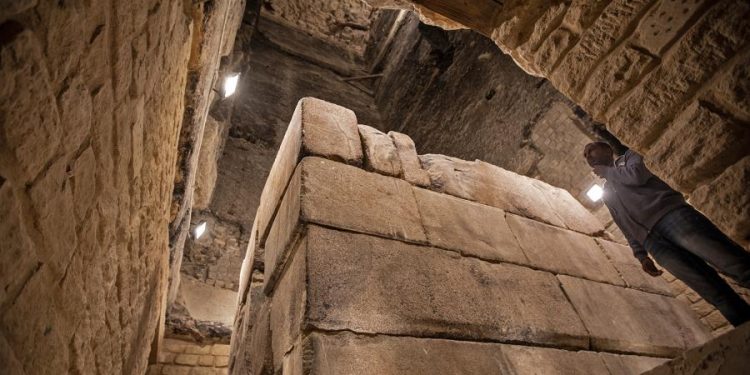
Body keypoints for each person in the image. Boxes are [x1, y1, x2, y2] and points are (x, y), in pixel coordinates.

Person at [583, 141, 750, 326]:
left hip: (672, 218)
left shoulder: (630, 157)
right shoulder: (606, 192)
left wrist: (607, 172)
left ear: (607, 149)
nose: (588, 156)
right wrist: (640, 254)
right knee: (712, 292)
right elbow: (624, 224)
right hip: (654, 244)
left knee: (732, 264)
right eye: (586, 155)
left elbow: (637, 176)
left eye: (591, 150)